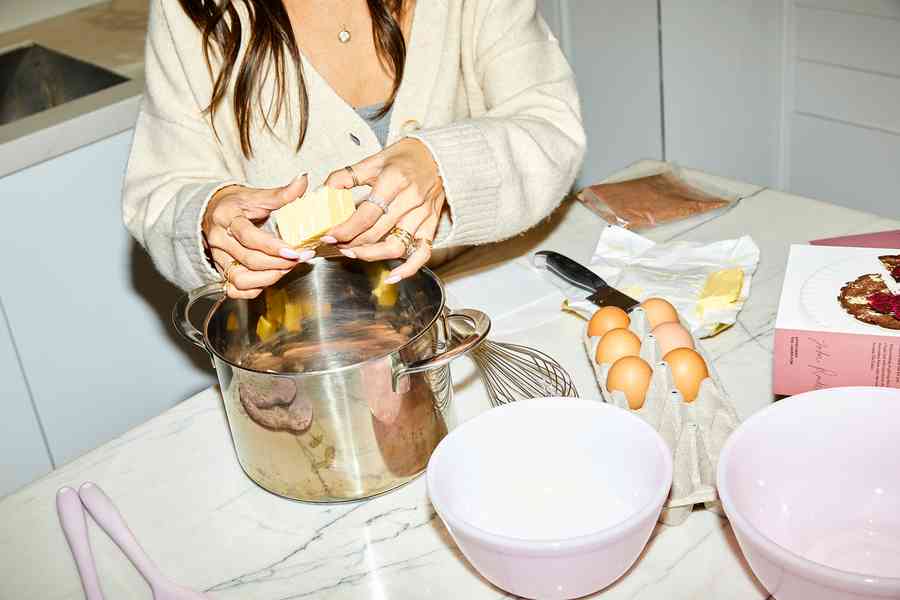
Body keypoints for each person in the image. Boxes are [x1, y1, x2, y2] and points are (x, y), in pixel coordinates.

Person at [123, 0, 585, 298]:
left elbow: (551, 128)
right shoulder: (193, 11)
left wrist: (442, 163)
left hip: (490, 289)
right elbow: (162, 193)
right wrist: (209, 218)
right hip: (311, 339)